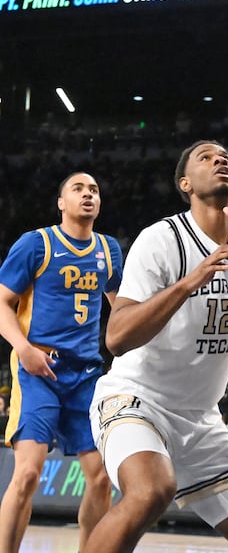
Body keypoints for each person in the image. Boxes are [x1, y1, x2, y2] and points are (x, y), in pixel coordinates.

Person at [83, 142, 228, 553]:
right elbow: (117, 337)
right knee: (151, 491)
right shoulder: (161, 239)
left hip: (201, 419)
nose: (221, 160)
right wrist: (187, 284)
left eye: (226, 157)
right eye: (205, 157)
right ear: (185, 183)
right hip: (136, 401)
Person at [0, 171, 123, 553]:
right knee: (28, 474)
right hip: (38, 369)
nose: (88, 194)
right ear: (61, 202)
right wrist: (24, 348)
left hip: (86, 376)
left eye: (94, 190)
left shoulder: (109, 249)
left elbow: (122, 310)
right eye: (78, 189)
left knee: (101, 478)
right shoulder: (36, 244)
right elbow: (2, 302)